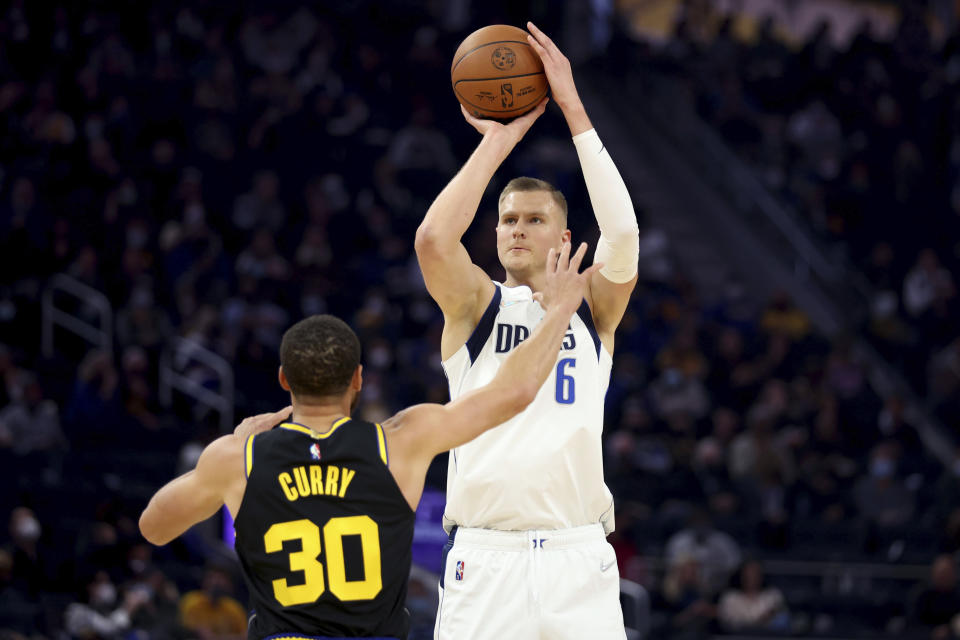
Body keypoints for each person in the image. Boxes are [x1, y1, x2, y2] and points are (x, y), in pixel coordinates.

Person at [139, 241, 601, 640]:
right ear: (359, 379)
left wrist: (235, 444)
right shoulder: (401, 442)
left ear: (283, 379)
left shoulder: (238, 458)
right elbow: (513, 392)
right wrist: (559, 310)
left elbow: (153, 528)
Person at [414, 22, 638, 640]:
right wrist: (499, 140)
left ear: (564, 238)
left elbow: (623, 238)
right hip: (486, 557)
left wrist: (572, 108)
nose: (516, 228)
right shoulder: (476, 307)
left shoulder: (592, 306)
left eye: (534, 219)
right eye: (507, 219)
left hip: (576, 552)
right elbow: (433, 240)